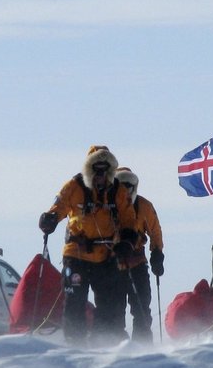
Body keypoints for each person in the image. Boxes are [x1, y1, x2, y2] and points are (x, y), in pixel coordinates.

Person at [39, 145, 138, 346]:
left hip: (106, 256)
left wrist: (126, 243)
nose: (100, 174)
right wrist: (49, 219)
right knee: (74, 303)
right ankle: (75, 345)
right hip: (76, 255)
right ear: (88, 169)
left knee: (108, 305)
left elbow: (129, 219)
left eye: (105, 169)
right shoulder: (74, 187)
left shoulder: (118, 192)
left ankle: (103, 345)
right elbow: (59, 207)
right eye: (96, 168)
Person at [114, 166, 164, 343]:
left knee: (142, 310)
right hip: (113, 265)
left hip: (138, 264)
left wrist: (157, 253)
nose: (126, 189)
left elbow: (155, 231)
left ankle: (143, 346)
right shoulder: (108, 206)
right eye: (122, 185)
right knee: (114, 311)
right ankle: (117, 347)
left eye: (129, 185)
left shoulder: (144, 206)